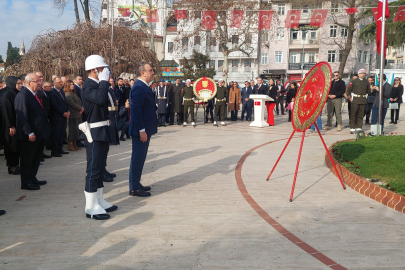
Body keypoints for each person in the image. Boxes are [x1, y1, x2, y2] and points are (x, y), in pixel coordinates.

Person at [81, 55, 117, 220]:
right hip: (94, 133)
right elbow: (100, 98)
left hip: (102, 130)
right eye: (102, 69)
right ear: (94, 69)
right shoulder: (88, 86)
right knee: (93, 170)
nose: (105, 72)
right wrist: (104, 82)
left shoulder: (97, 85)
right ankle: (90, 206)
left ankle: (99, 200)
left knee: (101, 168)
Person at [14, 73, 49, 190]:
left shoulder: (34, 94)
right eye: (37, 81)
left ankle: (32, 178)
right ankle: (26, 182)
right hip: (29, 135)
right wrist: (29, 132)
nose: (40, 83)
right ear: (29, 83)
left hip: (39, 133)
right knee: (27, 159)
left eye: (40, 81)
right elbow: (22, 116)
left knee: (36, 158)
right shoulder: (23, 95)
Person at [128, 62, 157, 197]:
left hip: (145, 128)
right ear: (143, 73)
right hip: (141, 130)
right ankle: (133, 187)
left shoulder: (144, 86)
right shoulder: (139, 87)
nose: (153, 73)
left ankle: (136, 182)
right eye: (150, 70)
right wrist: (141, 130)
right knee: (137, 157)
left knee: (141, 157)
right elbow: (136, 111)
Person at [1, 76, 21, 175]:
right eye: (18, 83)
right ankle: (11, 166)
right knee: (11, 146)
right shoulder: (7, 95)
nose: (20, 85)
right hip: (9, 125)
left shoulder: (17, 93)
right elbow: (7, 112)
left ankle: (16, 164)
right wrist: (11, 126)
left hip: (17, 124)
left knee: (16, 146)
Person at [49, 77, 70, 157]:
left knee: (62, 134)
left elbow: (65, 103)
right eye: (59, 82)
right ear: (54, 83)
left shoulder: (61, 91)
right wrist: (62, 112)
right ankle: (54, 151)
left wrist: (68, 110)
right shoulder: (52, 92)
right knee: (56, 134)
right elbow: (54, 105)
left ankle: (60, 148)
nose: (61, 83)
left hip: (64, 116)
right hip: (56, 117)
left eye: (61, 82)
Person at [346, 69, 371, 134]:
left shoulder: (366, 82)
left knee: (361, 114)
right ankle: (352, 128)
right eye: (361, 73)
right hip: (355, 99)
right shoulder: (354, 81)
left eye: (364, 73)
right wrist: (350, 96)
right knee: (353, 114)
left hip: (363, 99)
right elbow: (349, 90)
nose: (363, 74)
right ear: (359, 74)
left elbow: (368, 91)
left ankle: (359, 127)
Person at [64, 80, 84, 151]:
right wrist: (81, 108)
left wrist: (81, 108)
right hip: (72, 115)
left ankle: (74, 143)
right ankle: (70, 145)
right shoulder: (67, 94)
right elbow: (71, 103)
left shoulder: (73, 93)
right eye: (70, 85)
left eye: (72, 84)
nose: (72, 86)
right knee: (72, 131)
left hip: (77, 114)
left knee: (76, 131)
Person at [107, 78, 120, 146]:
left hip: (114, 110)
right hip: (109, 111)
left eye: (112, 81)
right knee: (111, 126)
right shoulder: (106, 90)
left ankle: (114, 140)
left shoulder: (110, 90)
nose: (111, 83)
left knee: (114, 125)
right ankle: (111, 140)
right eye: (110, 81)